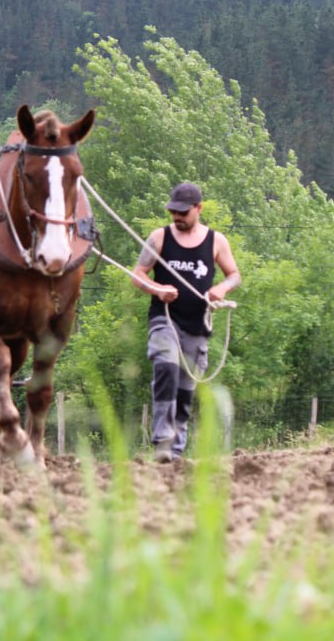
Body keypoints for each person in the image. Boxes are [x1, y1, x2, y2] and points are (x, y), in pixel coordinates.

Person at [130, 182, 240, 463]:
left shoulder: (216, 241)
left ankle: (173, 453)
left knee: (184, 390)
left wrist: (222, 289)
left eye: (183, 212)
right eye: (173, 212)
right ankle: (163, 441)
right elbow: (138, 274)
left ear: (198, 209)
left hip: (197, 325)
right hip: (164, 318)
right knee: (165, 366)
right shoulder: (159, 238)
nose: (177, 217)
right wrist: (157, 290)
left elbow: (234, 275)